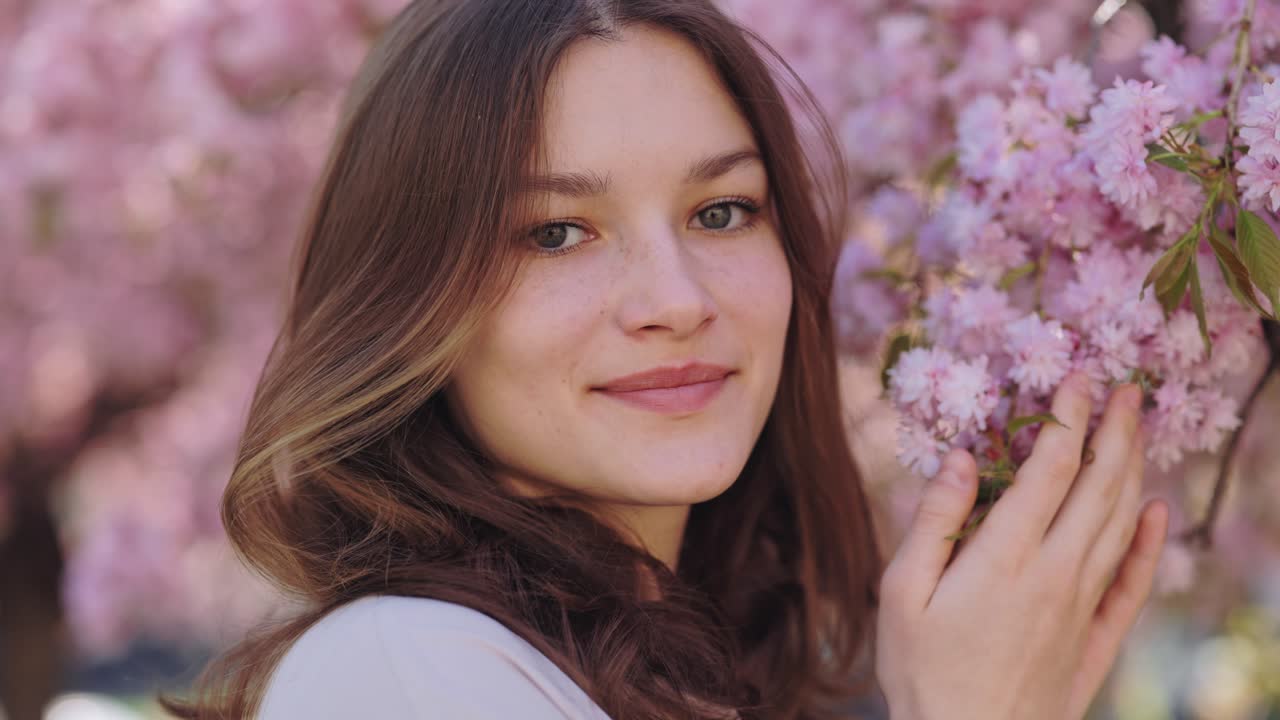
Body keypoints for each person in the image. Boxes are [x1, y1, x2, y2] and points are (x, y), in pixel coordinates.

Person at [161, 0, 1170, 718]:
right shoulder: (398, 673)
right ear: (410, 297)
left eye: (720, 211)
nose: (677, 301)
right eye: (556, 232)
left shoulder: (696, 679)